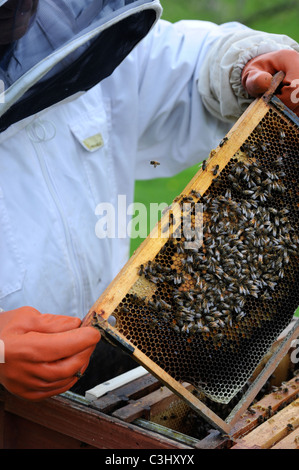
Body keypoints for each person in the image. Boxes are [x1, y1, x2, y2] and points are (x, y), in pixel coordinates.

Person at [0, 0, 299, 401]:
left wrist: (249, 64)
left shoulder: (74, 34)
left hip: (113, 358)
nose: (20, 15)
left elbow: (180, 64)